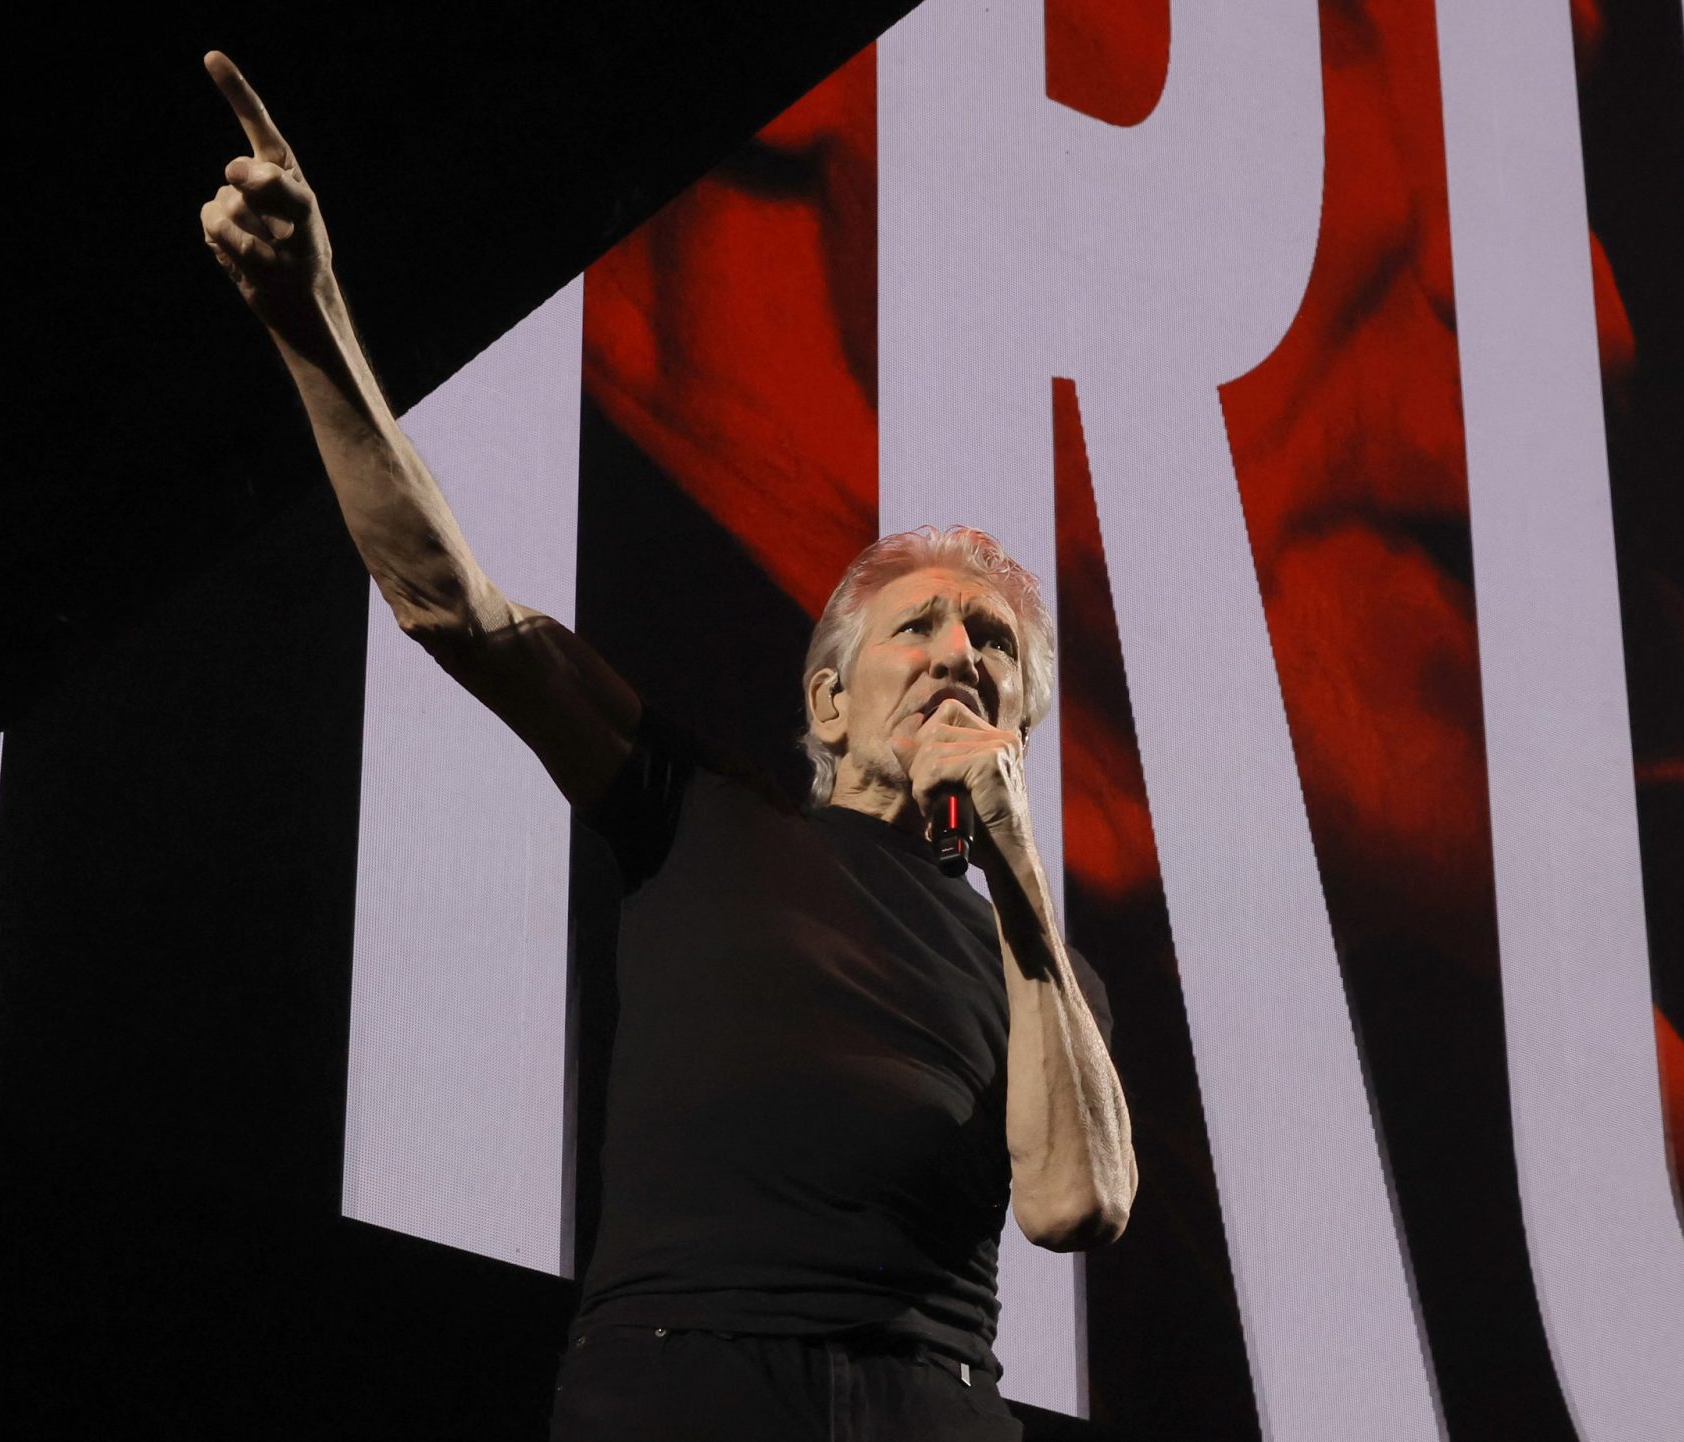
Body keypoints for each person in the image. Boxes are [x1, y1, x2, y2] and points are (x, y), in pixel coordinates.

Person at [197, 51, 1137, 1441]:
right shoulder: (702, 805)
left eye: (993, 641)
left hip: (933, 1404)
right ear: (828, 699)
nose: (958, 650)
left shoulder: (1037, 959)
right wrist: (309, 315)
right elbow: (456, 606)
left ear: (1023, 717)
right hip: (688, 1371)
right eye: (921, 625)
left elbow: (1076, 1202)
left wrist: (1021, 888)